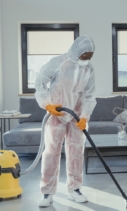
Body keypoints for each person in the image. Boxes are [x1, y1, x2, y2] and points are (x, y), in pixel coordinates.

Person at [34, 35, 97, 207]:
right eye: (85, 56)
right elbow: (39, 84)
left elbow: (90, 95)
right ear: (77, 51)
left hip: (76, 115)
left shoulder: (89, 69)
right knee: (51, 152)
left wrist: (85, 116)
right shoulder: (58, 63)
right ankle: (47, 192)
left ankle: (74, 189)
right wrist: (47, 105)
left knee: (76, 151)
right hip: (57, 113)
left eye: (90, 56)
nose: (87, 59)